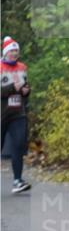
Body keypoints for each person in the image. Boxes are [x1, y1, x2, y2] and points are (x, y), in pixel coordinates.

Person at [1, 36, 31, 193]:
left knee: (19, 145)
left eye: (16, 51)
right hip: (1, 114)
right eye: (11, 50)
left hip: (18, 113)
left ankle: (17, 181)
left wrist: (26, 91)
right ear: (5, 52)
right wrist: (14, 87)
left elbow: (25, 87)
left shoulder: (22, 67)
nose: (14, 53)